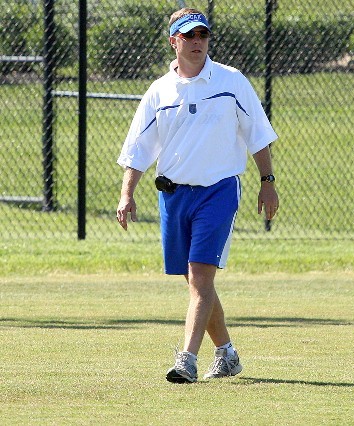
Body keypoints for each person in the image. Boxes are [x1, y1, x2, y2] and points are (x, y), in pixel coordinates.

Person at [116, 8, 279, 384]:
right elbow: (139, 149)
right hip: (174, 196)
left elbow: (257, 134)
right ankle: (227, 354)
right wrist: (127, 194)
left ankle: (186, 360)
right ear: (173, 41)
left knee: (201, 278)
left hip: (218, 191)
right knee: (194, 281)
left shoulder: (231, 81)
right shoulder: (159, 91)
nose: (197, 42)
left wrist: (267, 181)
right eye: (188, 36)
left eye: (202, 35)